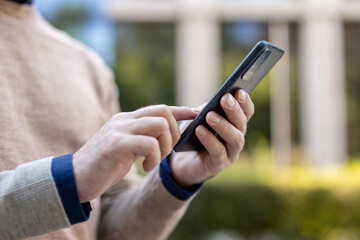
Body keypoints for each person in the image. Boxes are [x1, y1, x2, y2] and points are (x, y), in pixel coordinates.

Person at [0, 0, 255, 239]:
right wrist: (71, 178)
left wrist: (175, 176)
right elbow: (75, 181)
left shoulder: (88, 66)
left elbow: (111, 228)